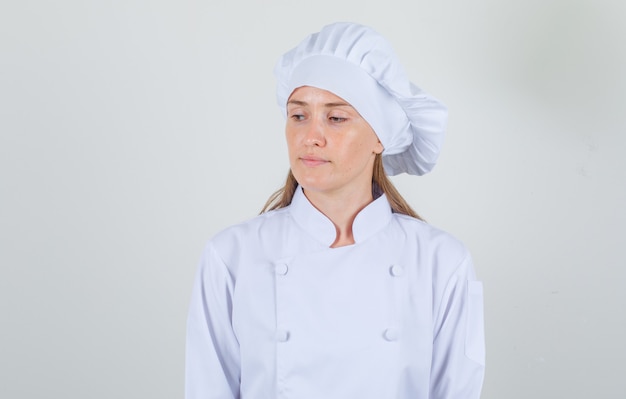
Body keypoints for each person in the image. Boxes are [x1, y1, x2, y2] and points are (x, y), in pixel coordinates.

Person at [185, 22, 485, 399]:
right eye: (299, 115)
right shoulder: (231, 256)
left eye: (336, 117)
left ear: (381, 136)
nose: (311, 135)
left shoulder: (441, 263)